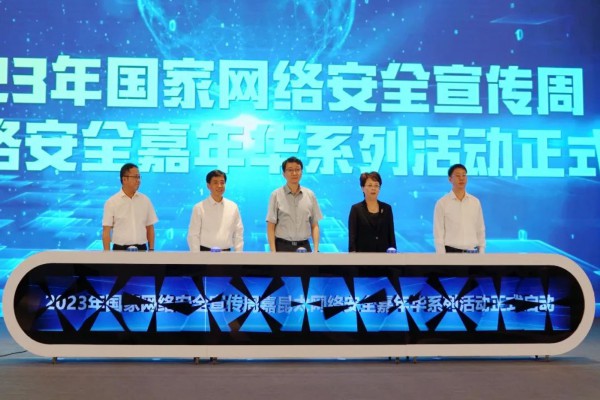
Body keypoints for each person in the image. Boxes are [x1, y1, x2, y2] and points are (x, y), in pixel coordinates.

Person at [266, 156, 323, 252]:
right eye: (290, 170)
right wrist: (273, 252)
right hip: (282, 246)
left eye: (297, 169)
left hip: (304, 246)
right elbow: (271, 226)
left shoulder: (310, 195)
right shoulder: (276, 195)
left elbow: (314, 225)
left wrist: (316, 250)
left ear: (301, 172)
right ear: (284, 174)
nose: (294, 173)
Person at [102, 163, 158, 251]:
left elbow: (150, 228)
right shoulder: (111, 202)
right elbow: (106, 231)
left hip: (141, 249)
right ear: (124, 179)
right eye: (135, 177)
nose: (138, 180)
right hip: (119, 250)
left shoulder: (145, 200)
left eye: (139, 177)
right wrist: (107, 254)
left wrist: (151, 250)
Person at [433, 163, 486, 254]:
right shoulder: (442, 203)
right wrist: (441, 256)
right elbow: (438, 232)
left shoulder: (475, 202)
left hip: (473, 252)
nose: (461, 178)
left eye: (464, 175)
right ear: (450, 179)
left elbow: (480, 229)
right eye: (457, 176)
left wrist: (482, 251)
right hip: (451, 252)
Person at [187, 169, 244, 252]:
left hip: (226, 254)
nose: (219, 186)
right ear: (208, 185)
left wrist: (238, 254)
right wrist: (196, 256)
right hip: (204, 253)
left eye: (222, 182)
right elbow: (193, 235)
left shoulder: (233, 207)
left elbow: (238, 232)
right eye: (215, 182)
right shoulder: (199, 207)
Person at [348, 171, 397, 252]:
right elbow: (352, 238)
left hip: (384, 257)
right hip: (362, 257)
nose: (373, 188)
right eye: (370, 185)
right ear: (362, 188)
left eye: (376, 185)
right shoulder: (356, 209)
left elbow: (391, 236)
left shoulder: (387, 209)